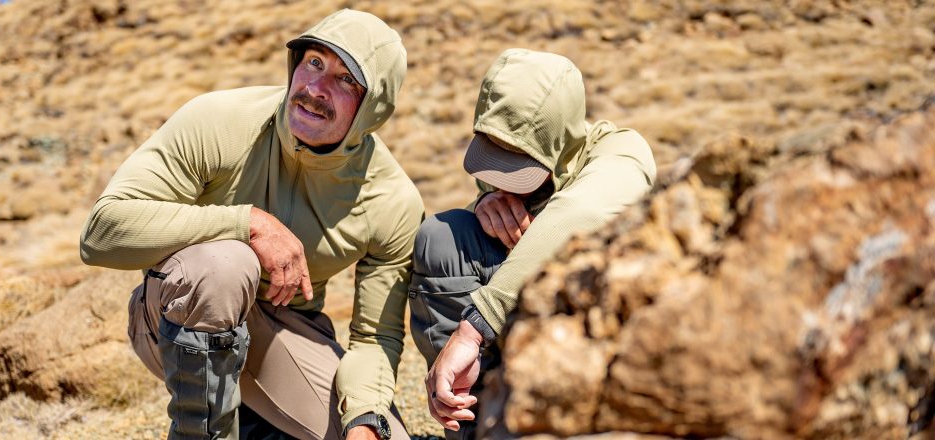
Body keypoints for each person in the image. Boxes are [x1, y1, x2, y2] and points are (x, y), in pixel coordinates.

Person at [79, 9, 421, 440]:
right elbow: (101, 233)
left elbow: (373, 338)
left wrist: (366, 416)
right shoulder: (219, 119)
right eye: (314, 63)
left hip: (285, 331)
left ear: (374, 108)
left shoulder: (391, 200)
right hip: (174, 316)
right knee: (225, 263)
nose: (315, 89)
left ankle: (259, 419)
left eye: (345, 80)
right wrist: (248, 224)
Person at [408, 49, 657, 439]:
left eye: (517, 168)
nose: (502, 182)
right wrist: (483, 203)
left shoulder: (623, 153)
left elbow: (577, 214)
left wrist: (474, 329)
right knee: (443, 235)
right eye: (493, 160)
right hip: (516, 318)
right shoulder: (502, 183)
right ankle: (471, 421)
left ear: (560, 141)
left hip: (599, 330)